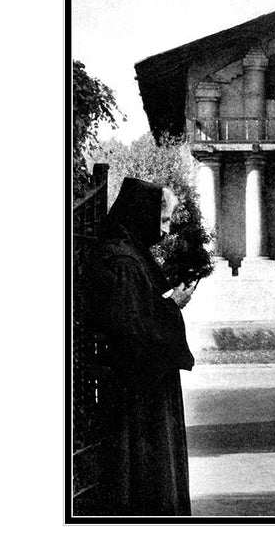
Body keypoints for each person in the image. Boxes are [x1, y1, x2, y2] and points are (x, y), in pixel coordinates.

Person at [82, 176, 196, 516]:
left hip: (143, 384)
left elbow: (140, 312)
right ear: (143, 215)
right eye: (163, 220)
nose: (165, 230)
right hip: (139, 390)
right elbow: (133, 328)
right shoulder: (123, 260)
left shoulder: (129, 255)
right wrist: (173, 305)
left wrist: (166, 304)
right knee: (145, 473)